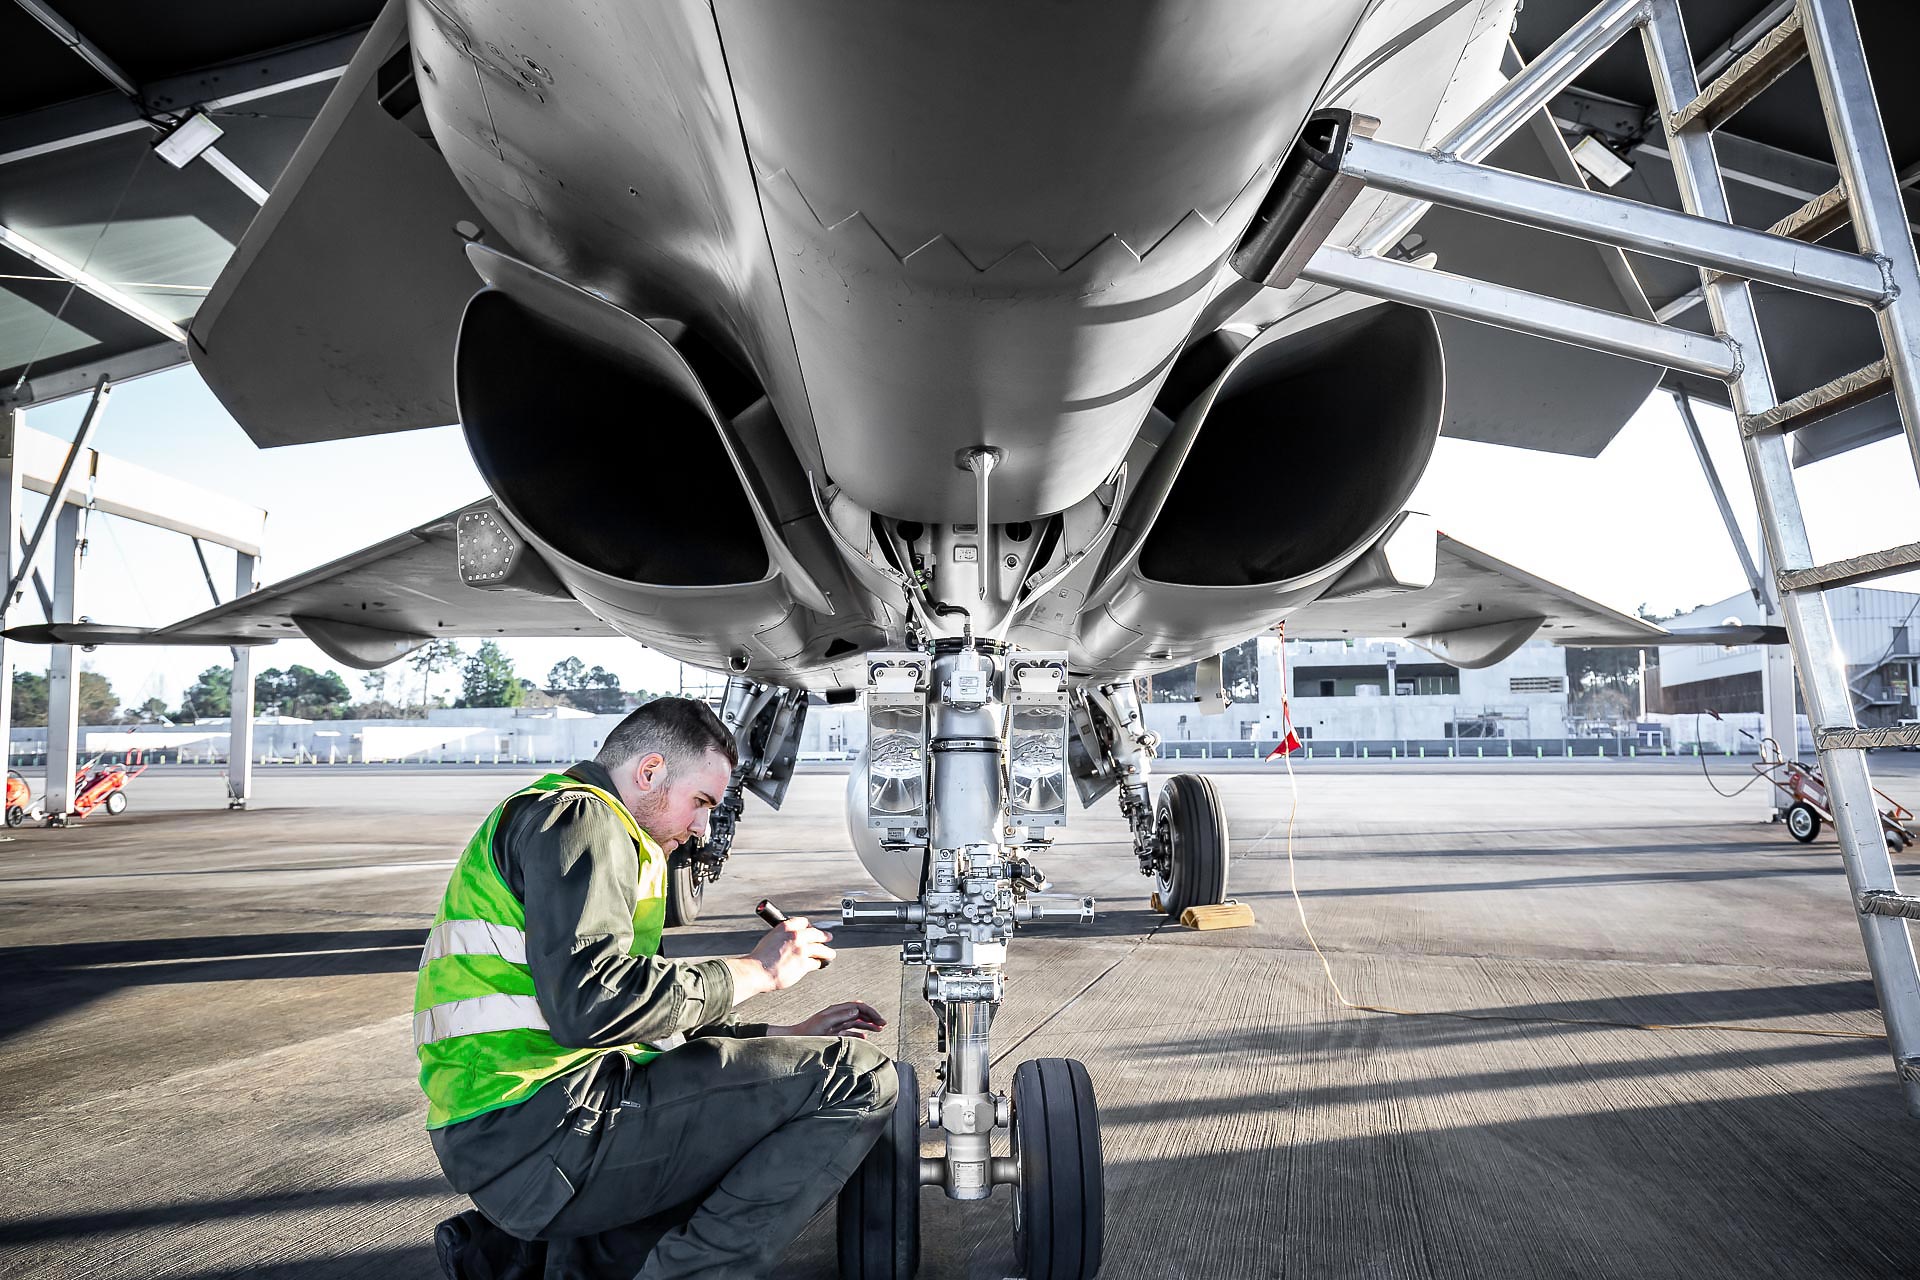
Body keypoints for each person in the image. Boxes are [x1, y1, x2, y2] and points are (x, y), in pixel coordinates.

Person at [419, 697, 897, 1279]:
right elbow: (593, 1006)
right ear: (649, 772)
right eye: (699, 803)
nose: (700, 829)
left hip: (520, 1129)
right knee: (860, 1077)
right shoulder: (582, 819)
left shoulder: (574, 821)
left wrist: (779, 1035)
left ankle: (550, 1260)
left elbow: (633, 1015)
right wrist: (759, 971)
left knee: (791, 1078)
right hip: (546, 1131)